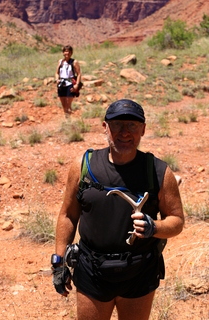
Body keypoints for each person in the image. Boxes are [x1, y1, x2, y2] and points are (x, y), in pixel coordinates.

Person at [51, 99, 184, 320]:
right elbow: (68, 215)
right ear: (105, 127)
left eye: (132, 125)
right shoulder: (84, 166)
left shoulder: (158, 171)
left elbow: (177, 221)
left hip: (139, 272)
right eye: (118, 124)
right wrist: (58, 262)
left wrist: (154, 227)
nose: (125, 132)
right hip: (91, 270)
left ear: (143, 129)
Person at [55, 45, 82, 117]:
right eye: (65, 51)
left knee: (68, 104)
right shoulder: (60, 62)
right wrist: (57, 79)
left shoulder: (74, 62)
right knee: (64, 105)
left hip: (70, 84)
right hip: (61, 84)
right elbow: (57, 73)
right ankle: (67, 119)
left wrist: (77, 84)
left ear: (71, 53)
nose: (67, 53)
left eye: (69, 52)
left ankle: (69, 122)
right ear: (63, 52)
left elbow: (79, 74)